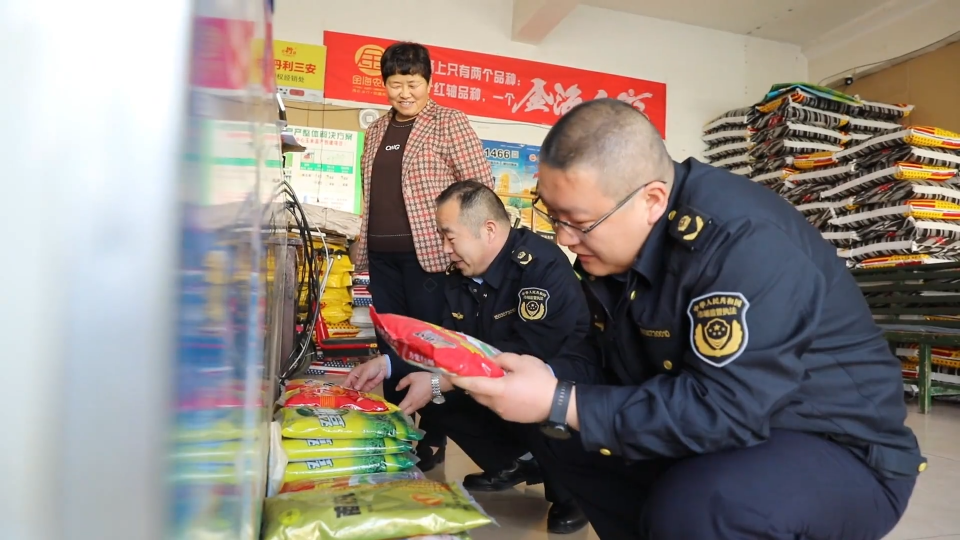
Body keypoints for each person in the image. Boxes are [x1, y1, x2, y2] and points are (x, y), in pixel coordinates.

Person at [449, 98, 926, 540]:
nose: (564, 238)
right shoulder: (614, 248)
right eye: (551, 216)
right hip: (734, 425)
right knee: (562, 437)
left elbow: (728, 408)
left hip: (835, 447)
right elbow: (603, 356)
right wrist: (548, 377)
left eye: (576, 221)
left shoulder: (742, 243)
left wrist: (561, 400)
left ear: (652, 200)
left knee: (705, 506)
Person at [346, 180, 590, 533]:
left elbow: (531, 355)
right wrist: (385, 364)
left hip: (555, 380)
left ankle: (573, 494)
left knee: (529, 394)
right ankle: (517, 462)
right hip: (499, 375)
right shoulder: (462, 275)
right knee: (430, 393)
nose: (445, 249)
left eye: (449, 236)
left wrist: (440, 380)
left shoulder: (539, 268)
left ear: (488, 230)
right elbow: (445, 343)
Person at [350, 41, 493, 470]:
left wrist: (470, 247)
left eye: (413, 84)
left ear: (429, 82)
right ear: (385, 85)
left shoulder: (449, 122)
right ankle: (398, 428)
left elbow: (478, 187)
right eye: (396, 85)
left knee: (428, 349)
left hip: (430, 257)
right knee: (390, 345)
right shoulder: (376, 129)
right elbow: (369, 192)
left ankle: (434, 433)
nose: (404, 94)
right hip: (381, 257)